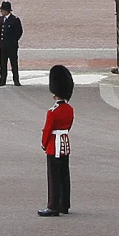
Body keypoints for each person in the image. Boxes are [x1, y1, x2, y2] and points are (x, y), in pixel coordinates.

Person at [38, 64, 74, 216]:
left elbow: (47, 130)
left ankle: (53, 205)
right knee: (64, 175)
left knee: (53, 177)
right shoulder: (70, 109)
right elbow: (69, 125)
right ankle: (64, 204)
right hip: (65, 144)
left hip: (54, 145)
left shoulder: (53, 112)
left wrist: (44, 143)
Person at [0, 0, 23, 85]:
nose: (1, 11)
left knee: (14, 64)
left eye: (2, 10)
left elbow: (19, 32)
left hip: (12, 46)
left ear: (7, 10)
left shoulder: (14, 20)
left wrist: (13, 41)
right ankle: (2, 80)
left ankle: (16, 80)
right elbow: (1, 31)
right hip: (3, 46)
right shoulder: (1, 19)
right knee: (2, 64)